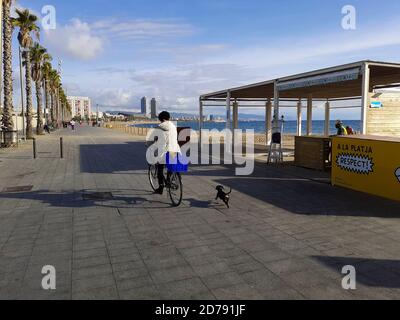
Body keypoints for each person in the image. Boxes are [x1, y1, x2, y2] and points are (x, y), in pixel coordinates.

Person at [153, 111, 181, 195]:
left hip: (165, 151)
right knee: (171, 165)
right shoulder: (173, 126)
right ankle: (170, 179)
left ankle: (161, 188)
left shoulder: (159, 127)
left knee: (160, 168)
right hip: (175, 149)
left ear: (161, 119)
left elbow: (155, 139)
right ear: (168, 118)